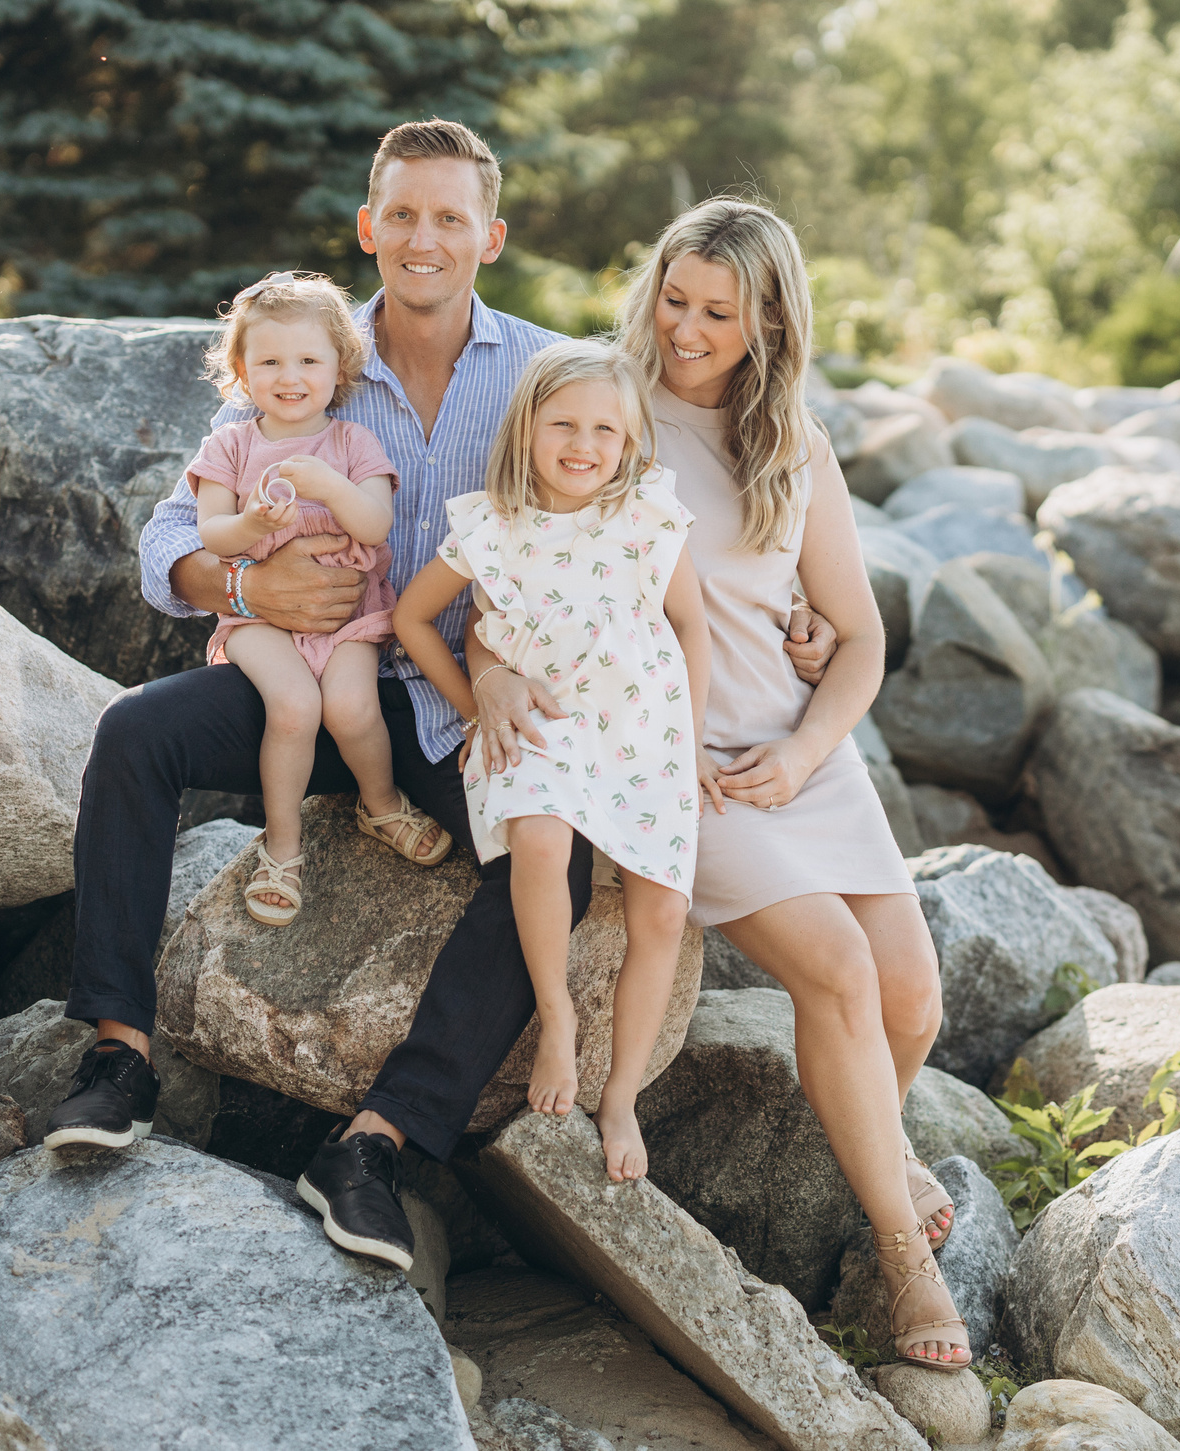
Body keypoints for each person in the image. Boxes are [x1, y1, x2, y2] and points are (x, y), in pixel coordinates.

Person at [43, 121, 839, 1267]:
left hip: (469, 706)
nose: (425, 238)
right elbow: (166, 536)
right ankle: (118, 1050)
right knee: (133, 734)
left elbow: (656, 506)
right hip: (309, 687)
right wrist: (239, 577)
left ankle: (376, 1143)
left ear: (490, 237)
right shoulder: (307, 357)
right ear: (369, 228)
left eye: (450, 218)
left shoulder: (542, 372)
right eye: (403, 215)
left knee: (547, 874)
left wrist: (791, 608)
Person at [469, 199, 967, 1371]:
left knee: (912, 1003)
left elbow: (856, 639)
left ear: (769, 323)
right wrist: (489, 672)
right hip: (671, 756)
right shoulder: (604, 417)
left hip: (800, 755)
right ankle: (902, 1259)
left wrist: (804, 744)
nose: (686, 329)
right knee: (838, 975)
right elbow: (515, 567)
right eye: (674, 299)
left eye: (717, 312)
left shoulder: (794, 442)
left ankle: (875, 1149)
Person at [393, 340, 716, 1183]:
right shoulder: (493, 525)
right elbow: (413, 619)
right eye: (564, 423)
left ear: (630, 439)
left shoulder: (646, 515)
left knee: (661, 916)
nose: (584, 444)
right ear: (527, 427)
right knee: (540, 839)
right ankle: (557, 1012)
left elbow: (692, 628)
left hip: (647, 729)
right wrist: (475, 706)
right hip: (549, 722)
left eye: (605, 429)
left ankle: (620, 1099)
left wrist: (693, 740)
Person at [184, 271, 451, 928]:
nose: (290, 375)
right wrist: (252, 527)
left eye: (308, 359)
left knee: (353, 706)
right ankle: (282, 845)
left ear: (340, 368)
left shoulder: (352, 444)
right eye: (270, 361)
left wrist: (328, 484)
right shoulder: (231, 444)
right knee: (296, 707)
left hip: (348, 617)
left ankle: (380, 801)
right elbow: (211, 531)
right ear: (243, 371)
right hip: (258, 618)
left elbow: (374, 524)